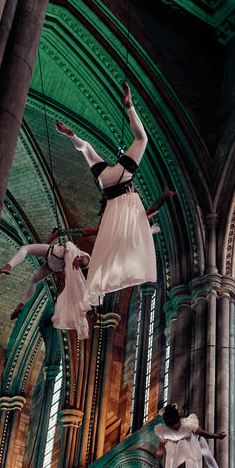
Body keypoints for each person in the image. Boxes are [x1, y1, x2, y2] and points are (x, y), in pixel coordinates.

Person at [55, 82, 157, 306]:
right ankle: (128, 107)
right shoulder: (126, 217)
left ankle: (126, 108)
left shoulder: (126, 215)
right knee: (91, 148)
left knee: (137, 141)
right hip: (112, 185)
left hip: (114, 183)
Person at [0, 241, 94, 338]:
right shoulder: (77, 256)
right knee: (34, 281)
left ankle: (8, 267)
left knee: (25, 248)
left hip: (56, 253)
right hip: (55, 266)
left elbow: (86, 260)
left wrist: (80, 260)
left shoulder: (82, 255)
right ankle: (22, 303)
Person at [46, 187, 176, 243]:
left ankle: (62, 232)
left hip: (119, 231)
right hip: (121, 227)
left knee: (95, 231)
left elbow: (152, 211)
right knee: (95, 231)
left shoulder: (139, 223)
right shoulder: (138, 221)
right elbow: (152, 210)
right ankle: (62, 232)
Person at [153, 404, 226, 468]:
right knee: (204, 454)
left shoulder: (166, 431)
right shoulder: (183, 426)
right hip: (190, 445)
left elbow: (160, 450)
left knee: (205, 454)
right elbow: (203, 433)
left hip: (188, 445)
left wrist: (155, 466)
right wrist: (217, 436)